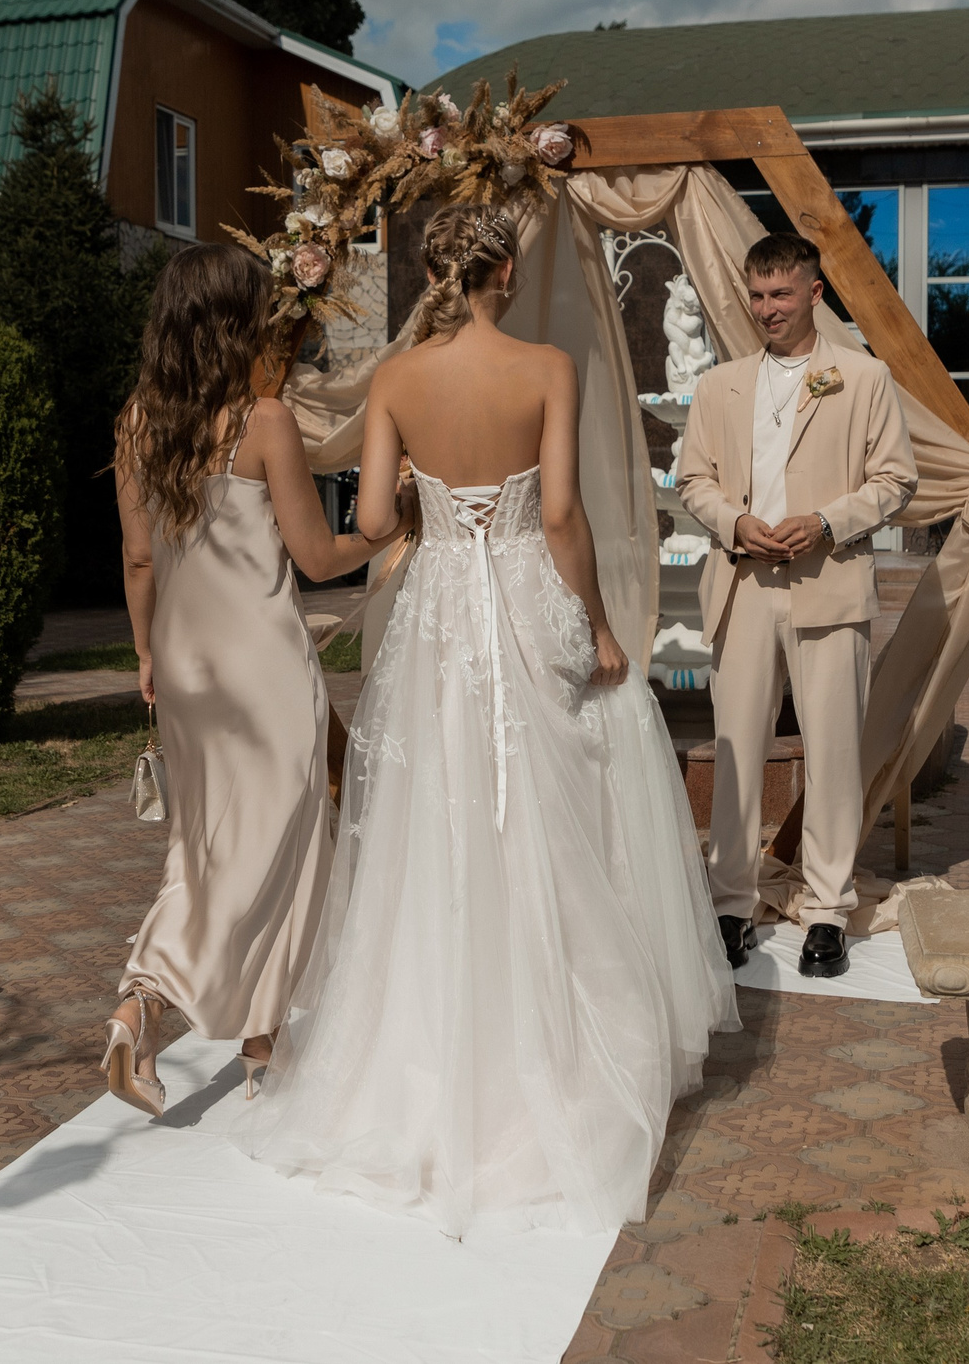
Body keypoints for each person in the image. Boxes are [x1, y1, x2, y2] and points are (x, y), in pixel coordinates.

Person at [240, 204, 737, 1239]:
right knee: (549, 815)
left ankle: (421, 1062)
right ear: (503, 268)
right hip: (520, 597)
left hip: (433, 616)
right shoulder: (547, 366)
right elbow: (559, 514)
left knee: (436, 818)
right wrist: (598, 624)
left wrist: (428, 499)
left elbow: (372, 522)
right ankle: (552, 1055)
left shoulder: (398, 378)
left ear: (435, 270)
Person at [102, 242, 411, 1117]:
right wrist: (388, 532)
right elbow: (315, 557)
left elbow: (136, 559)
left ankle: (256, 1043)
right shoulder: (263, 420)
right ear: (236, 324)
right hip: (264, 669)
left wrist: (145, 653)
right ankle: (151, 998)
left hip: (186, 669)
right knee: (279, 851)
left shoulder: (135, 422)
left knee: (202, 848)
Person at [676, 232, 917, 979]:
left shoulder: (863, 376)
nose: (767, 309)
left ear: (815, 293)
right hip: (744, 583)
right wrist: (734, 523)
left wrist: (826, 522)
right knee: (737, 749)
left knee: (835, 751)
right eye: (756, 295)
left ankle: (826, 912)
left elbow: (895, 479)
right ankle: (730, 905)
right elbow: (692, 481)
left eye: (781, 294)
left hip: (830, 582)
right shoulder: (719, 386)